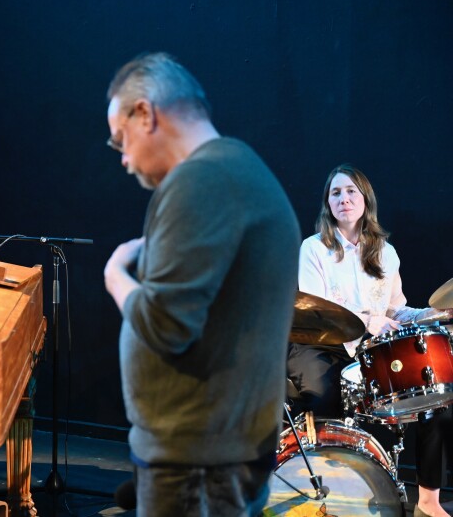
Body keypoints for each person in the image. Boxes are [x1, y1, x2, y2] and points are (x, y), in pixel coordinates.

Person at [102, 52, 300, 516]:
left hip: (200, 460)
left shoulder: (203, 179)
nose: (126, 160)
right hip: (214, 453)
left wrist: (115, 275)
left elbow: (166, 324)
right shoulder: (234, 169)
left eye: (121, 140)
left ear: (145, 113)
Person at [290, 164, 452, 517]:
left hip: (366, 351)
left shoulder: (386, 253)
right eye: (336, 193)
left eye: (351, 191)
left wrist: (433, 315)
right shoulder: (314, 248)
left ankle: (428, 501)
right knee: (326, 395)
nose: (343, 199)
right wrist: (368, 321)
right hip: (320, 345)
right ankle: (331, 500)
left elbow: (397, 309)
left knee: (434, 399)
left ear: (365, 200)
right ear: (327, 204)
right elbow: (316, 311)